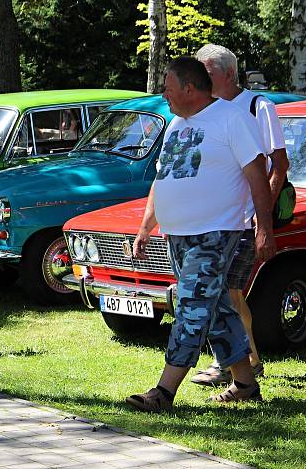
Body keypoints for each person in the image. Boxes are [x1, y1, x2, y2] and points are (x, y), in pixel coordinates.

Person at [127, 57, 275, 413]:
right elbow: (164, 179)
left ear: (190, 88)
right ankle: (245, 384)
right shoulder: (177, 124)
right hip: (178, 235)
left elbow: (258, 176)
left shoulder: (232, 119)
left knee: (192, 307)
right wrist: (146, 226)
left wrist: (265, 229)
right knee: (218, 308)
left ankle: (163, 391)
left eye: (168, 87)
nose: (163, 93)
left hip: (217, 233)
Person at [190, 44, 290, 386]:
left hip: (245, 219)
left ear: (229, 74)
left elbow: (279, 165)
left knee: (227, 290)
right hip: (216, 219)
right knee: (225, 291)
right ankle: (245, 360)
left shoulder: (258, 107)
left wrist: (263, 220)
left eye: (208, 73)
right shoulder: (207, 111)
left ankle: (237, 362)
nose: (200, 79)